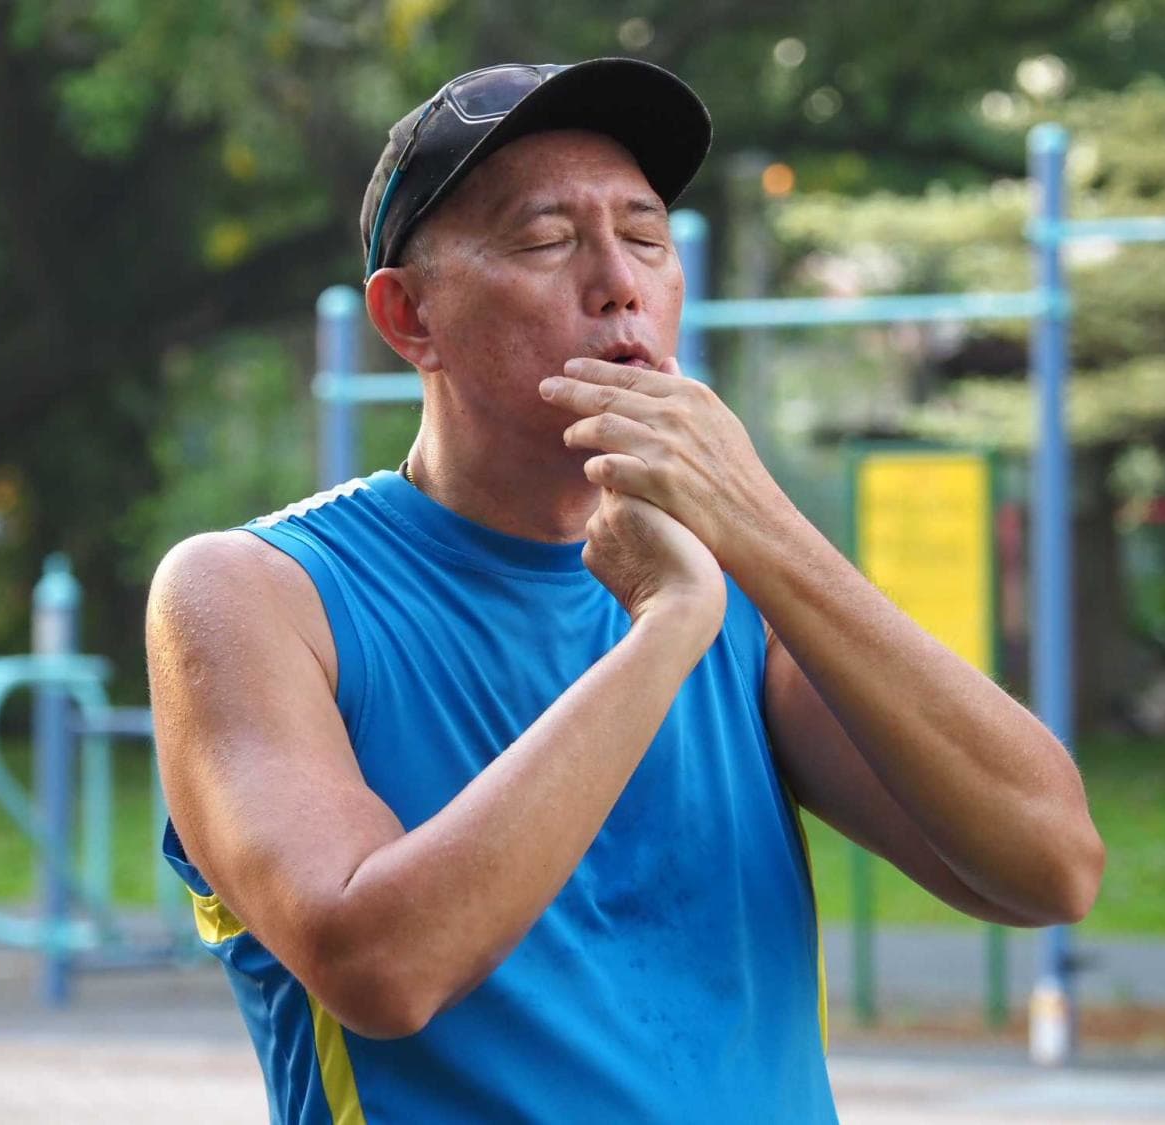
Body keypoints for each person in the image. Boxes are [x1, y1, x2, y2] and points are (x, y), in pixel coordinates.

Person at [146, 58, 1104, 1124]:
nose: (619, 283)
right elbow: (380, 968)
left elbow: (1051, 867)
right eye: (546, 240)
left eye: (647, 238)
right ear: (410, 316)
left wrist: (763, 525)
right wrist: (667, 629)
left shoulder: (748, 587)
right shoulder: (256, 594)